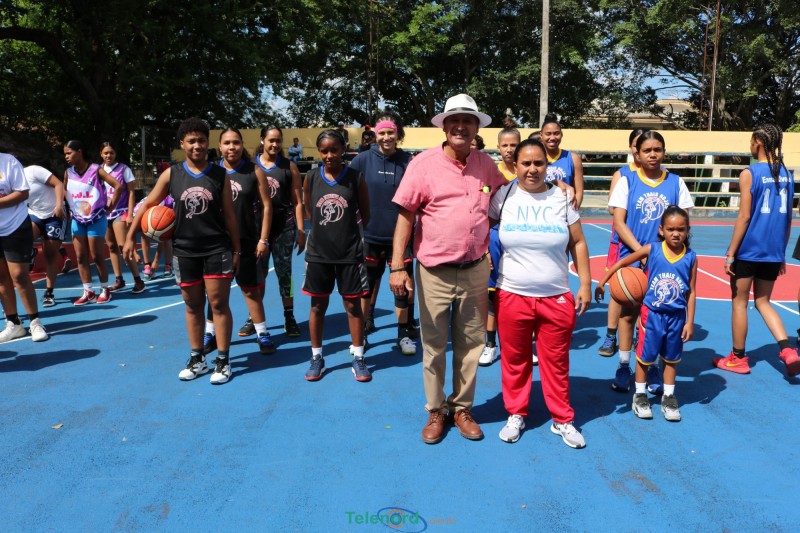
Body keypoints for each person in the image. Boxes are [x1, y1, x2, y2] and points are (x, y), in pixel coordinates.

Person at [389, 93, 507, 444]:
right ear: (444, 126)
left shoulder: (486, 165)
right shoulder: (422, 165)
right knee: (434, 346)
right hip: (434, 271)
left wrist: (552, 188)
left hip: (475, 269)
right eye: (454, 120)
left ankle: (462, 408)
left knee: (471, 345)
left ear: (476, 128)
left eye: (467, 120)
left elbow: (507, 200)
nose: (460, 126)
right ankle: (437, 409)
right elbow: (405, 216)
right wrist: (397, 266)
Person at [123, 117, 240, 385]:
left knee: (219, 304)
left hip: (216, 248)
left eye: (201, 140)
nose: (197, 145)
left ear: (208, 142)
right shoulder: (172, 174)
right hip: (184, 250)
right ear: (182, 144)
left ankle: (223, 360)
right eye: (191, 141)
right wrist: (130, 237)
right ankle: (198, 358)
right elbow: (146, 205)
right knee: (193, 305)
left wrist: (237, 250)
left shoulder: (220, 175)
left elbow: (230, 216)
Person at [490, 139, 591, 447]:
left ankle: (562, 419)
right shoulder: (503, 196)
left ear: (548, 166)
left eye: (539, 163)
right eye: (526, 163)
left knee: (556, 361)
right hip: (511, 292)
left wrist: (586, 283)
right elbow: (484, 230)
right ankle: (516, 413)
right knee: (515, 359)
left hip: (555, 294)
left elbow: (578, 242)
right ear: (515, 165)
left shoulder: (562, 197)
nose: (532, 169)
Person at [606, 130, 694, 394]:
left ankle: (652, 365)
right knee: (628, 314)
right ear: (638, 152)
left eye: (657, 149)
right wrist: (642, 252)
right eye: (647, 150)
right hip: (633, 257)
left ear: (664, 152)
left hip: (664, 262)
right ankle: (624, 366)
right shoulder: (627, 181)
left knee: (656, 318)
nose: (653, 154)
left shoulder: (676, 182)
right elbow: (619, 222)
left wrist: (662, 255)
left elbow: (683, 221)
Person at [597, 206, 697, 421]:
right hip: (652, 315)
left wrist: (690, 322)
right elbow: (622, 262)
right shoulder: (653, 249)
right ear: (661, 230)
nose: (676, 233)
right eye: (670, 229)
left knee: (671, 359)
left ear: (688, 230)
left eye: (681, 229)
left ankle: (669, 397)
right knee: (644, 358)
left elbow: (691, 291)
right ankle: (640, 395)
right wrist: (602, 282)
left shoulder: (691, 257)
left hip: (677, 317)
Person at [715, 124, 800, 376]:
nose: (750, 146)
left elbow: (744, 217)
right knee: (763, 301)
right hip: (773, 251)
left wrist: (731, 253)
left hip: (749, 249)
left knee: (739, 302)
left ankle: (738, 358)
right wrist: (781, 254)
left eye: (751, 141)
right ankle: (787, 350)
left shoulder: (749, 173)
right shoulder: (787, 174)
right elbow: (788, 219)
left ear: (759, 142)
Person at [301, 129, 371, 382]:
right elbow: (309, 210)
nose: (329, 155)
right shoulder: (311, 177)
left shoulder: (355, 178)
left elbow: (365, 214)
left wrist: (347, 237)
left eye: (334, 150)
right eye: (324, 151)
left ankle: (359, 358)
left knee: (352, 307)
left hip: (349, 254)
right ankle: (317, 357)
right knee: (317, 306)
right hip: (318, 254)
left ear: (343, 149)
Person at [349, 110, 416, 356]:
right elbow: (349, 193)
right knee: (366, 287)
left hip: (401, 238)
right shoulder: (361, 160)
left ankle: (403, 333)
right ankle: (363, 333)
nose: (386, 137)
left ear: (398, 134)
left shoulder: (409, 161)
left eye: (391, 133)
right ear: (375, 135)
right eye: (382, 133)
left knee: (402, 288)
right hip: (369, 236)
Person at [204, 128, 273, 355]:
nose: (231, 147)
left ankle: (262, 333)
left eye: (236, 142)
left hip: (246, 240)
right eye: (227, 143)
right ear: (219, 146)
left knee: (251, 291)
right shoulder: (211, 171)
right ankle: (210, 334)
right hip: (217, 243)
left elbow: (267, 206)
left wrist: (263, 239)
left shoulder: (254, 171)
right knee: (214, 294)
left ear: (242, 145)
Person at [239, 125, 305, 338]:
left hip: (283, 228)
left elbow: (298, 202)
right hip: (257, 230)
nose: (275, 144)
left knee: (285, 274)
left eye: (278, 140)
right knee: (257, 276)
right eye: (271, 140)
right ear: (262, 140)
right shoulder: (250, 167)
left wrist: (301, 231)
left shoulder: (288, 166)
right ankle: (254, 317)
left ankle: (289, 316)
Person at [598, 128, 649, 357]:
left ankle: (639, 333)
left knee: (643, 291)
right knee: (619, 290)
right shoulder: (623, 174)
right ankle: (611, 336)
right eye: (638, 144)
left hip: (650, 243)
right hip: (624, 243)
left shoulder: (663, 176)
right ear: (632, 148)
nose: (642, 149)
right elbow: (612, 208)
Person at [63, 140, 123, 305]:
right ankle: (88, 291)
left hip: (96, 218)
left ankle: (105, 289)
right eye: (65, 154)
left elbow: (118, 186)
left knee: (97, 256)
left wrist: (111, 207)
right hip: (77, 219)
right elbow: (63, 191)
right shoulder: (68, 173)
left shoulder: (96, 169)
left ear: (79, 152)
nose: (66, 157)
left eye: (69, 153)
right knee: (80, 257)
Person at [480, 123, 520, 366]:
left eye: (513, 144)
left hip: (521, 241)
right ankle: (490, 344)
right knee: (491, 294)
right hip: (495, 240)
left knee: (518, 295)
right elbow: (484, 213)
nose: (509, 149)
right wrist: (485, 248)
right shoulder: (491, 174)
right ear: (498, 147)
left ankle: (517, 345)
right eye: (505, 145)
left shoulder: (529, 172)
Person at [0, 152, 49, 342]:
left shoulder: (8, 162)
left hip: (15, 225)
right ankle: (14, 324)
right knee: (1, 277)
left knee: (19, 275)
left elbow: (22, 193)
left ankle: (35, 322)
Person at [101, 142, 145, 294]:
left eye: (111, 152)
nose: (109, 155)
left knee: (123, 247)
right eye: (106, 153)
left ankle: (138, 280)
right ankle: (119, 280)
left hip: (120, 211)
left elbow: (131, 192)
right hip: (104, 213)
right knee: (112, 247)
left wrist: (131, 214)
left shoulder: (123, 169)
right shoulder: (98, 170)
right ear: (101, 154)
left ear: (116, 154)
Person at [24, 164, 67, 308]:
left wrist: (59, 206)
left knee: (50, 254)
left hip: (54, 214)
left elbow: (59, 184)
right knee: (23, 239)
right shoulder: (10, 182)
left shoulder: (33, 171)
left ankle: (49, 293)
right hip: (35, 214)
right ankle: (31, 252)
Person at [540, 114, 585, 208]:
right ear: (541, 135)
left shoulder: (573, 158)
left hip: (564, 210)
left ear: (561, 134)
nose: (552, 138)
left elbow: (579, 192)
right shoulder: (535, 158)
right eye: (548, 134)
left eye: (556, 133)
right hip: (540, 209)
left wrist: (573, 210)